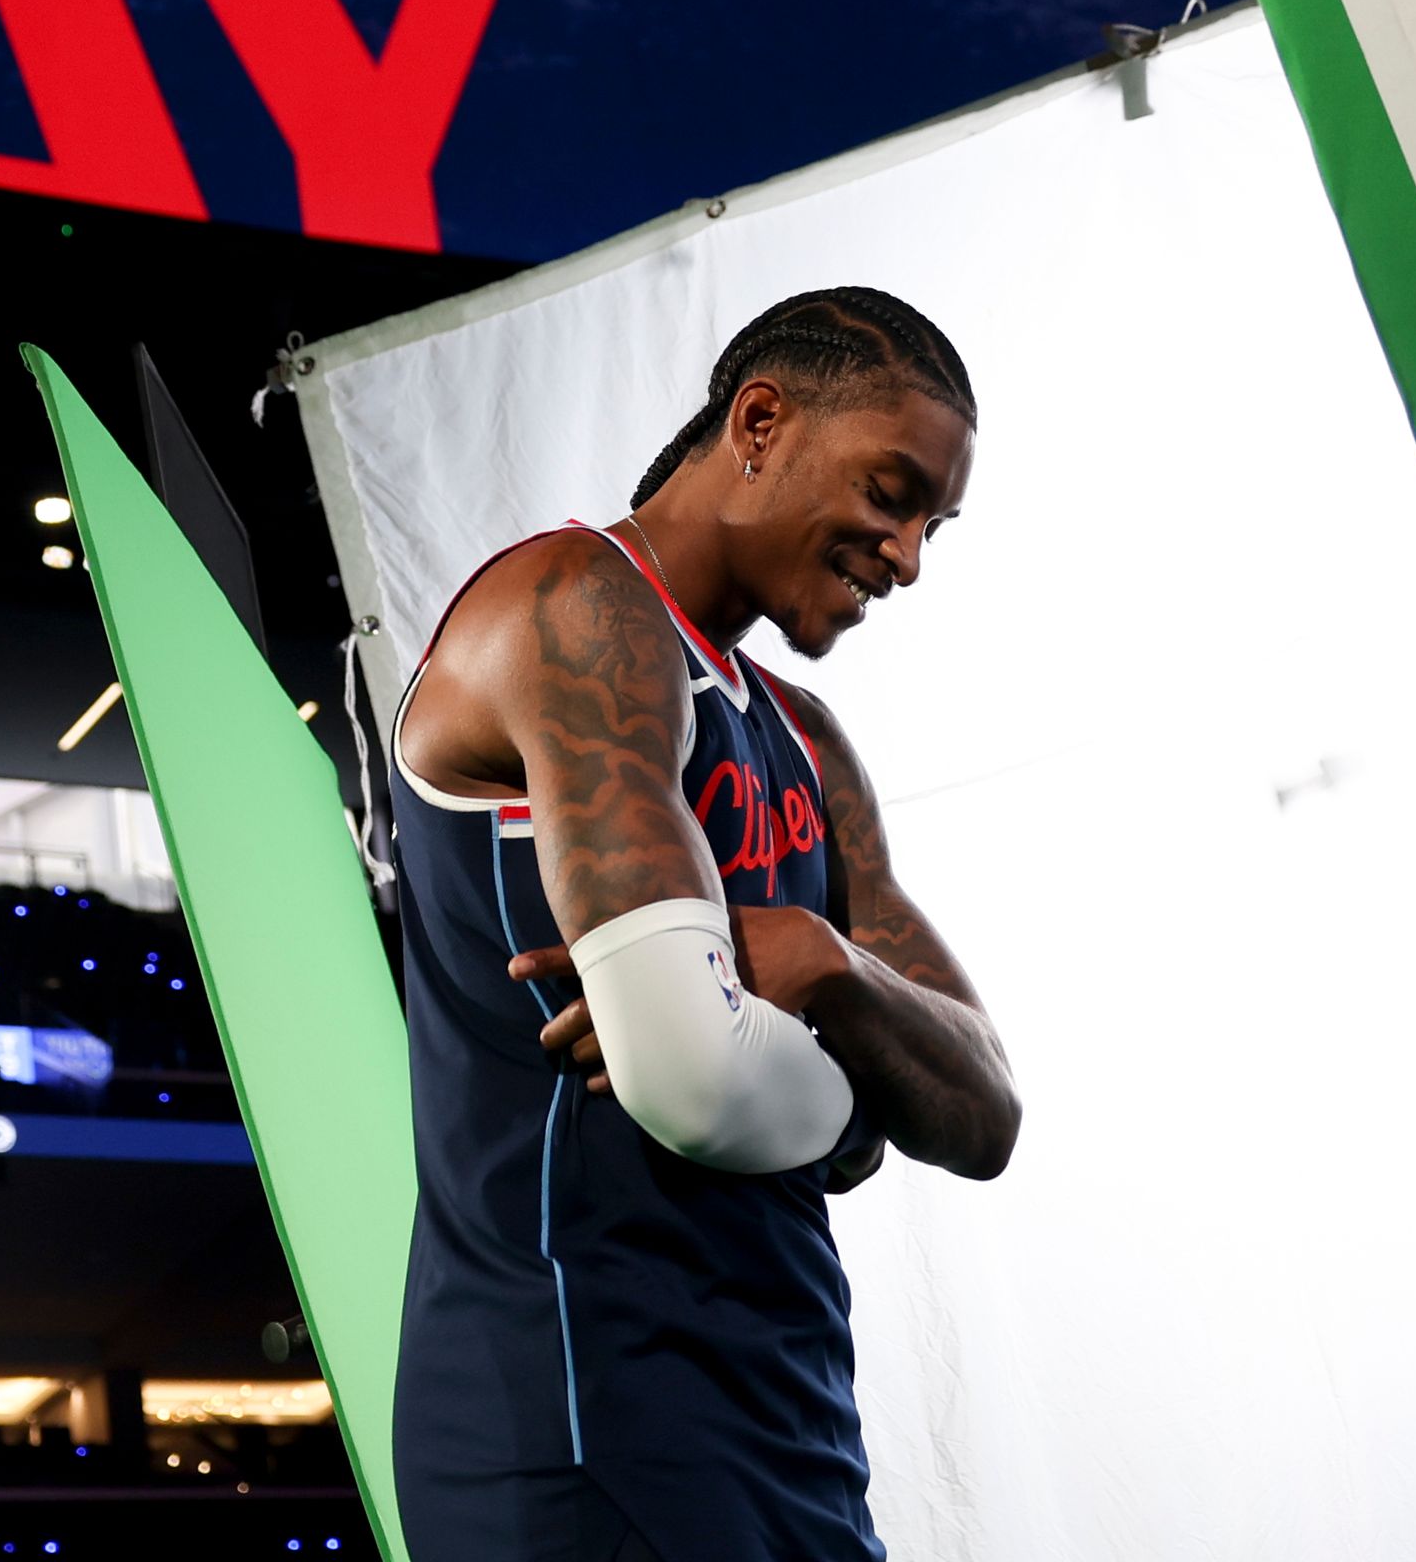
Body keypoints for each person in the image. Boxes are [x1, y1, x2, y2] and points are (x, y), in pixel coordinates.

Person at [387, 286, 1021, 1562]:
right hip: (583, 1407)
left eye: (932, 526)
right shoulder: (573, 605)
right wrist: (850, 1108)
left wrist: (814, 962)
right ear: (761, 421)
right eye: (892, 494)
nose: (905, 558)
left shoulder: (804, 736)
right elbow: (693, 1078)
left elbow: (984, 1111)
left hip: (793, 1417)